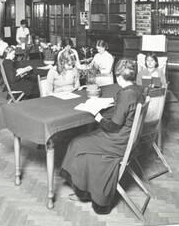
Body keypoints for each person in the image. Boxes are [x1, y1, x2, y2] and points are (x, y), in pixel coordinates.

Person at [60, 59, 145, 215]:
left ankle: (82, 191)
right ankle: (85, 187)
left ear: (118, 76)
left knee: (77, 143)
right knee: (86, 140)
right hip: (128, 140)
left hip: (117, 141)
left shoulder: (126, 95)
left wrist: (97, 116)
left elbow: (113, 126)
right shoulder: (138, 90)